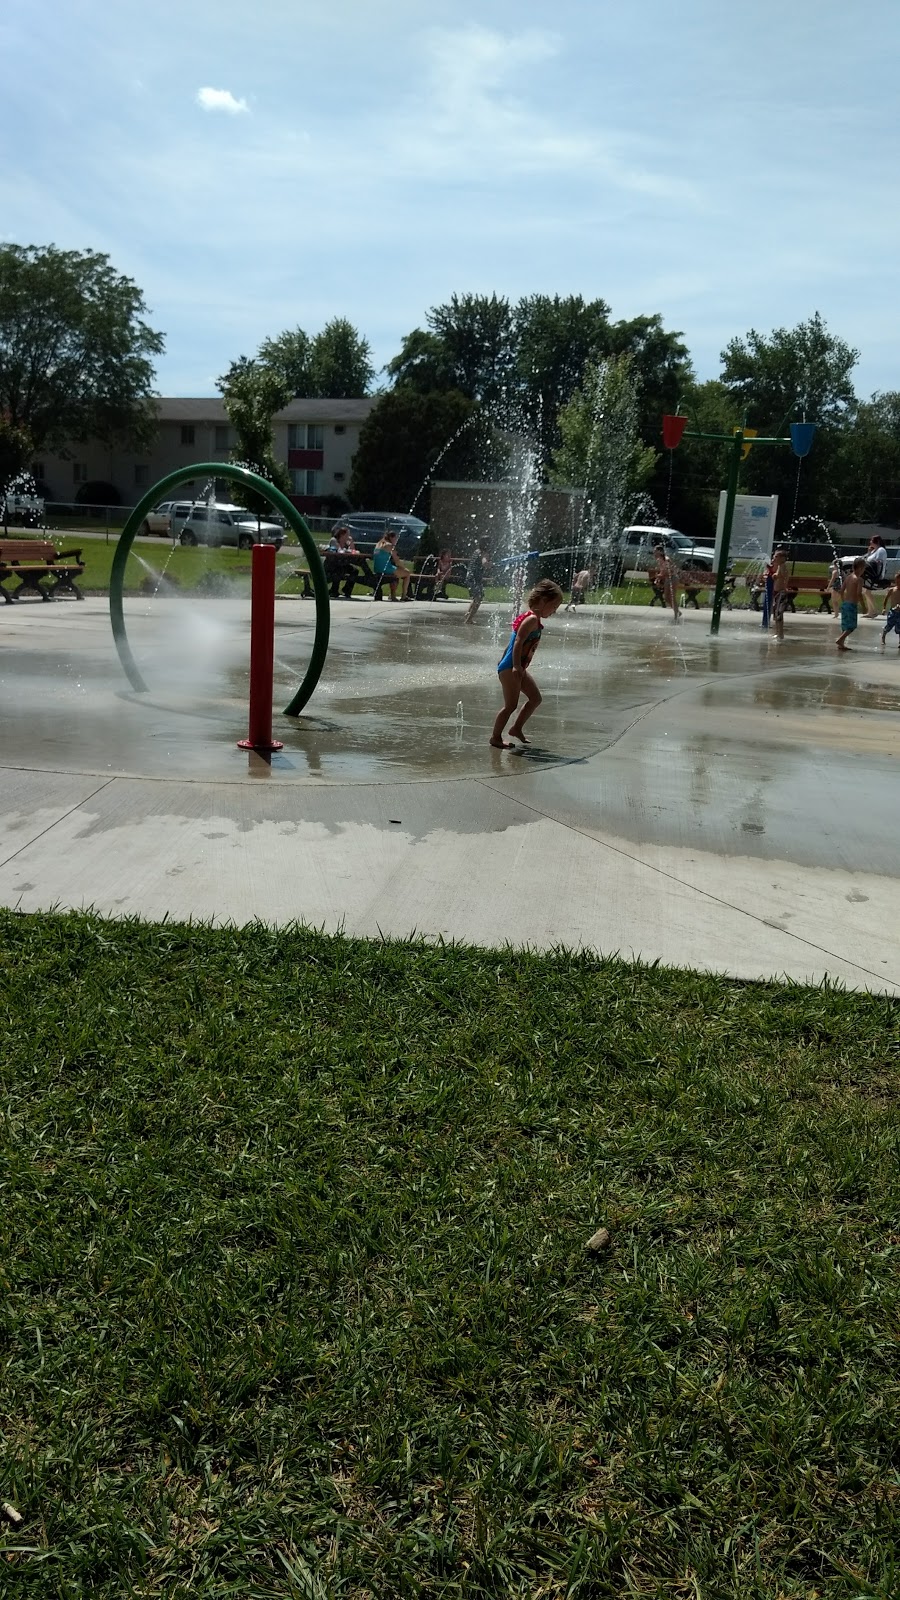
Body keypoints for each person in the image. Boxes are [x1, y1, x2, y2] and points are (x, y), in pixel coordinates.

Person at [490, 578, 564, 749]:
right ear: (544, 601)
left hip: (516, 667)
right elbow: (518, 642)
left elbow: (512, 643)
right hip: (512, 668)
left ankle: (516, 728)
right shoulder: (531, 620)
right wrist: (514, 665)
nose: (554, 611)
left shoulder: (533, 619)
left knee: (535, 698)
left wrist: (509, 662)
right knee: (510, 706)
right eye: (554, 607)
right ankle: (495, 737)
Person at [324, 525, 372, 600]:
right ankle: (334, 590)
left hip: (341, 563)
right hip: (331, 564)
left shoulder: (346, 542)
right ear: (342, 535)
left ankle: (347, 590)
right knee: (339, 571)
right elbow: (339, 551)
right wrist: (347, 549)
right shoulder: (334, 540)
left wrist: (351, 543)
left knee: (354, 571)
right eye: (347, 535)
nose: (348, 536)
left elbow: (353, 551)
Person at [837, 558, 866, 651]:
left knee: (845, 624)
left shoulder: (848, 577)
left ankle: (841, 644)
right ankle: (840, 639)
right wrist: (863, 606)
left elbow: (841, 591)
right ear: (861, 568)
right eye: (864, 568)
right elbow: (859, 593)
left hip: (845, 603)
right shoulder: (859, 580)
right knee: (852, 626)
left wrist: (843, 601)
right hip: (852, 605)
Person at [372, 530, 411, 600]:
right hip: (385, 568)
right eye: (395, 538)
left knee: (396, 573)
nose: (396, 540)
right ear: (391, 538)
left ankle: (392, 595)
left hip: (377, 568)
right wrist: (404, 568)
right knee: (407, 573)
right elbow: (397, 560)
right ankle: (404, 596)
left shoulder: (379, 543)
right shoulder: (389, 545)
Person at [862, 536, 887, 617]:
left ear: (877, 541)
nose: (870, 542)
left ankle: (874, 611)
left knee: (867, 591)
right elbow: (866, 559)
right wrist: (869, 552)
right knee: (866, 591)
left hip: (875, 575)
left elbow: (877, 562)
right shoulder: (874, 551)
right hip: (869, 574)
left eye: (871, 541)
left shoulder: (881, 550)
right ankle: (871, 611)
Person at [770, 548, 791, 641]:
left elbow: (782, 576)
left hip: (781, 592)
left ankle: (780, 634)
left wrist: (774, 575)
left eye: (776, 557)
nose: (774, 558)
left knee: (779, 614)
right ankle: (777, 632)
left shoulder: (782, 566)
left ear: (782, 558)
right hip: (777, 592)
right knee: (776, 613)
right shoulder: (780, 566)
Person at [464, 544, 486, 624]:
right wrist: (491, 565)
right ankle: (469, 619)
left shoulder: (476, 551)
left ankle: (468, 614)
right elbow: (484, 563)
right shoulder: (484, 553)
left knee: (475, 597)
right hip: (475, 579)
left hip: (470, 577)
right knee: (478, 598)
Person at [881, 571, 900, 648]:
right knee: (889, 625)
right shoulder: (892, 590)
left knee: (899, 628)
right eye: (897, 582)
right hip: (893, 611)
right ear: (895, 581)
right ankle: (883, 637)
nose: (899, 584)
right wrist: (884, 608)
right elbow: (886, 599)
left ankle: (899, 642)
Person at [828, 554, 843, 618]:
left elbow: (832, 580)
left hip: (836, 586)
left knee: (834, 600)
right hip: (841, 586)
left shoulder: (835, 572)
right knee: (838, 600)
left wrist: (828, 586)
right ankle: (837, 613)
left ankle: (836, 614)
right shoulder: (842, 572)